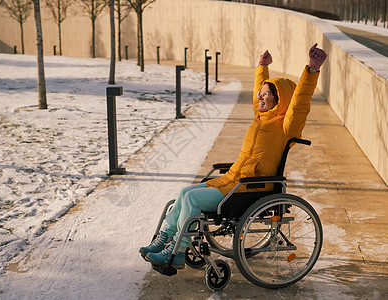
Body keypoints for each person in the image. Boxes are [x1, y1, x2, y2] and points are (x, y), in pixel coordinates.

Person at [140, 43, 327, 268]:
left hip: (251, 187)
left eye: (266, 95)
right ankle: (165, 239)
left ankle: (178, 251)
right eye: (261, 94)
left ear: (279, 100)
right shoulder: (261, 117)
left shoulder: (286, 126)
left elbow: (299, 104)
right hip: (234, 180)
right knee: (184, 192)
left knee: (192, 199)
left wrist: (312, 70)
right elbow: (259, 90)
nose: (260, 98)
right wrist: (262, 67)